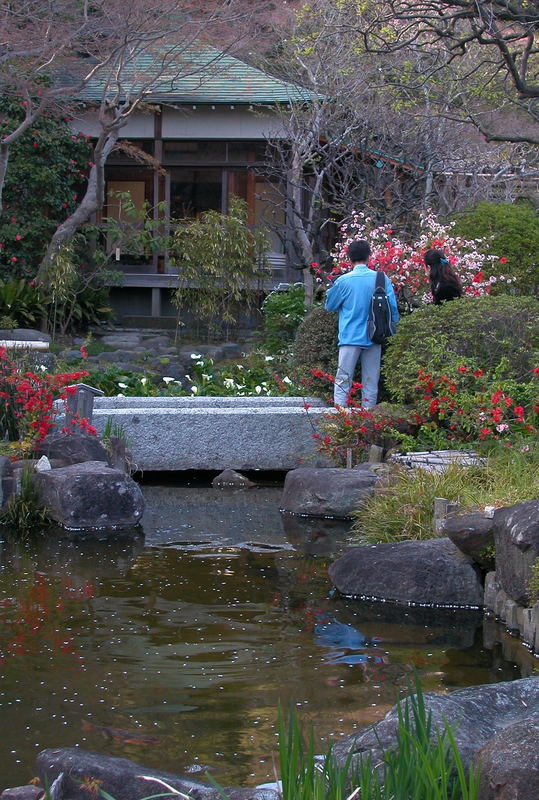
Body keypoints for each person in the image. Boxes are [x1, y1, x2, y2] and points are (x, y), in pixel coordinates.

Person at [325, 239, 399, 408]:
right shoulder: (381, 278)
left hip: (349, 336)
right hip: (375, 335)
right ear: (369, 256)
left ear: (349, 258)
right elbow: (393, 309)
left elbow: (330, 306)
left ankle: (340, 420)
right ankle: (367, 420)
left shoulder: (343, 281)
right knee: (371, 382)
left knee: (343, 380)